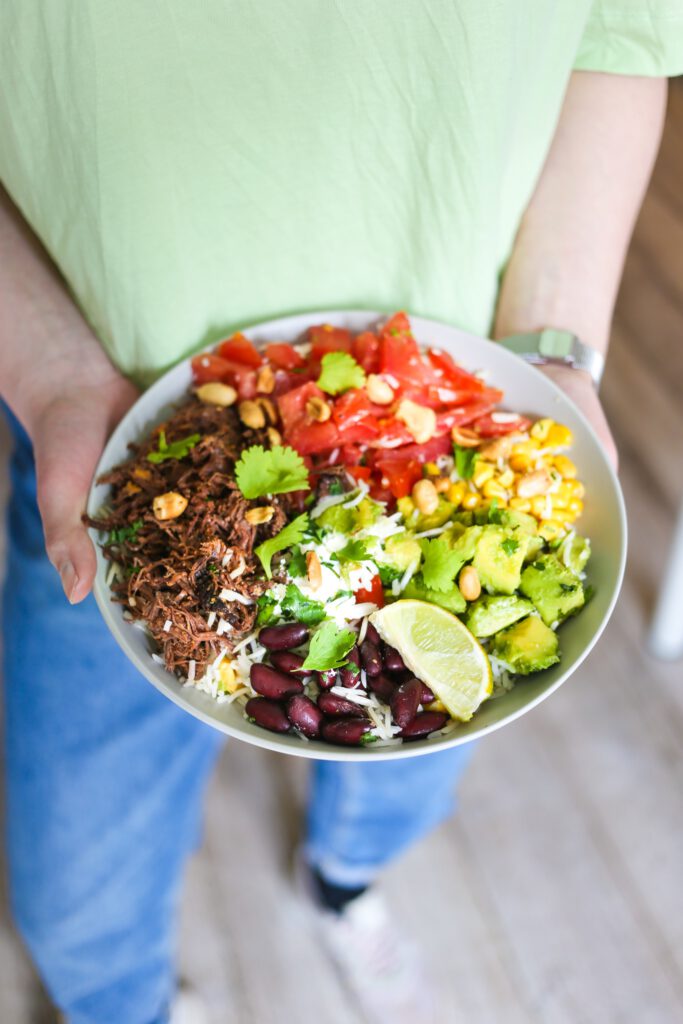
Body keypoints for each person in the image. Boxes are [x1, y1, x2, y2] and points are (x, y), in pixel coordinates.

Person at [0, 4, 680, 1023]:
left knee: (407, 772)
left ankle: (344, 882)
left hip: (452, 430)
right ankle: (114, 1005)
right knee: (75, 862)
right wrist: (48, 366)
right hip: (106, 450)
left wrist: (551, 346)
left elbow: (619, 36)